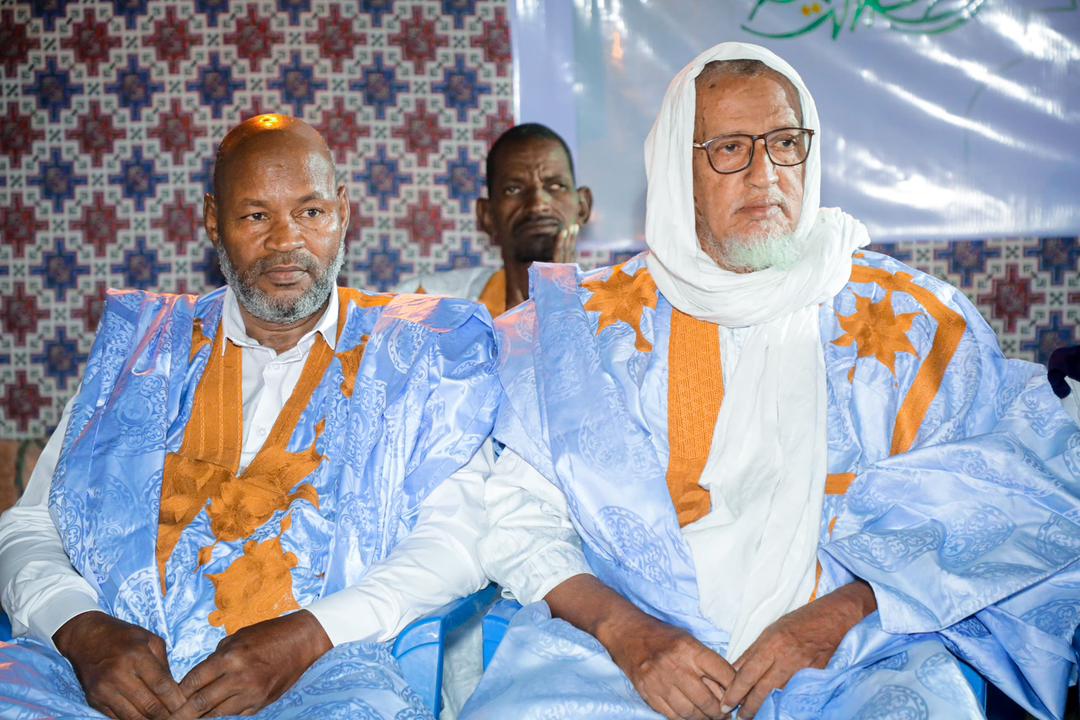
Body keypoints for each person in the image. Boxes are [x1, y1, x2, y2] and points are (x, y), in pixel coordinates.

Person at [462, 44, 1080, 720]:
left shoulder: (914, 322)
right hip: (627, 662)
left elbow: (1015, 493)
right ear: (676, 170)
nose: (765, 174)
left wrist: (844, 611)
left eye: (785, 143)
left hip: (859, 654)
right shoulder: (589, 329)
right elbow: (519, 517)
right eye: (730, 148)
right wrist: (630, 635)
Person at [0, 115, 499, 719]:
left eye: (310, 211)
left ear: (343, 212)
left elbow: (457, 542)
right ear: (213, 221)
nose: (286, 241)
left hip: (323, 676)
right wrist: (80, 629)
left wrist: (310, 636)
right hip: (103, 683)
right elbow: (30, 526)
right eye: (256, 215)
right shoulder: (140, 351)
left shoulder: (424, 352)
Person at [395, 123, 593, 316]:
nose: (538, 204)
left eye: (556, 186)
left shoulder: (610, 316)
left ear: (583, 207)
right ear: (487, 215)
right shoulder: (424, 305)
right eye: (513, 189)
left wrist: (562, 305)